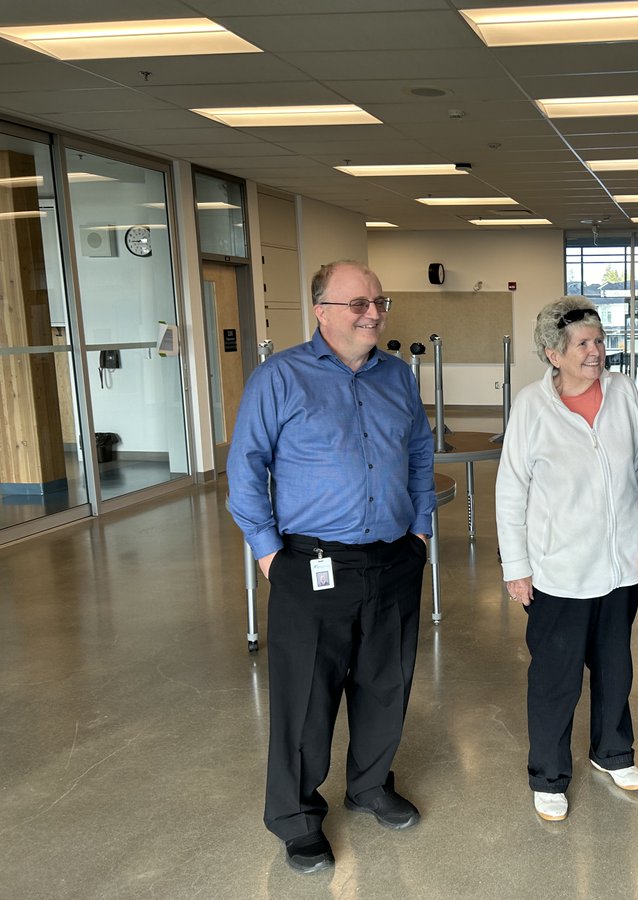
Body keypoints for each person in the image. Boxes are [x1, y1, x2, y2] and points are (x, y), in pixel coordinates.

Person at [227, 260, 434, 874]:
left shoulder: (397, 376)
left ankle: (370, 785)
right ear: (321, 310)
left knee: (386, 682)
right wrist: (267, 549)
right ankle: (295, 817)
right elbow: (245, 468)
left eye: (379, 301)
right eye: (357, 303)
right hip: (311, 562)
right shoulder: (279, 377)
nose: (373, 312)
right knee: (306, 699)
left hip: (393, 559)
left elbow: (420, 450)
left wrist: (420, 528)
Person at [496, 297, 638, 822]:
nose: (596, 352)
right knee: (555, 678)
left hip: (619, 567)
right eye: (583, 344)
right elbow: (511, 488)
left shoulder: (624, 393)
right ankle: (549, 774)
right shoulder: (532, 407)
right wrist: (516, 566)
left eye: (600, 341)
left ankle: (612, 753)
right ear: (553, 353)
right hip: (558, 571)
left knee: (615, 668)